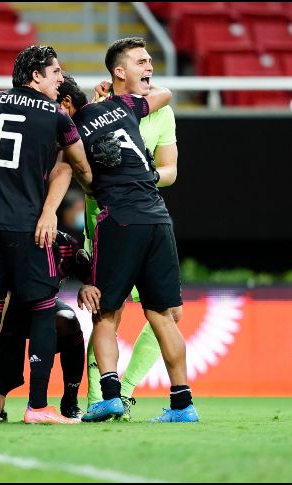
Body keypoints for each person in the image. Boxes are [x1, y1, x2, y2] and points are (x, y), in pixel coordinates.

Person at [0, 45, 93, 425]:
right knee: (43, 310)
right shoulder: (57, 116)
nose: (60, 78)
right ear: (35, 77)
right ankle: (38, 407)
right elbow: (79, 163)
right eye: (55, 72)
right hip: (29, 228)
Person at [56, 69, 198, 423]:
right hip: (157, 215)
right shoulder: (124, 107)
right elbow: (163, 94)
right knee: (164, 316)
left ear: (67, 102)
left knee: (106, 313)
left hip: (118, 220)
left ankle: (110, 397)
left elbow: (85, 179)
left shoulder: (70, 130)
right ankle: (183, 405)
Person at [83, 37, 181, 421]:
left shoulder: (161, 110)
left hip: (143, 210)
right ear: (120, 71)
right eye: (142, 61)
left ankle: (122, 391)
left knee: (169, 312)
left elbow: (170, 170)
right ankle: (97, 397)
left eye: (151, 61)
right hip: (108, 220)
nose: (150, 67)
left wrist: (143, 176)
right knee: (108, 310)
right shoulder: (101, 110)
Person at [0, 231, 99, 422]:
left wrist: (87, 285)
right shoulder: (10, 243)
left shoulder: (65, 244)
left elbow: (88, 274)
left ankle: (70, 399)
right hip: (6, 319)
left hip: (44, 313)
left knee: (67, 319)